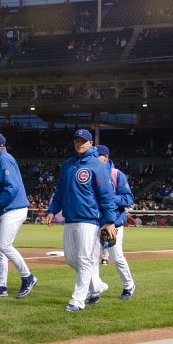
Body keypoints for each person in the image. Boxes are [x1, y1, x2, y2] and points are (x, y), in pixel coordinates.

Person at [45, 129, 117, 313]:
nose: (79, 143)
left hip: (89, 220)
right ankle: (96, 287)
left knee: (84, 260)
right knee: (70, 258)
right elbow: (59, 191)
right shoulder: (68, 165)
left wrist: (109, 220)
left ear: (91, 143)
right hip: (70, 219)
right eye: (77, 140)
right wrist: (52, 210)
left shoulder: (97, 165)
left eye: (83, 141)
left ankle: (77, 300)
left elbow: (107, 196)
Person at [0, 132, 37, 298]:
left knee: (4, 245)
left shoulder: (4, 160)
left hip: (14, 208)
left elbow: (11, 189)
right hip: (5, 210)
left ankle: (28, 277)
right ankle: (0, 287)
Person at [94, 145, 136, 301]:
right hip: (95, 222)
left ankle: (128, 285)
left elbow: (128, 199)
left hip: (114, 222)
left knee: (117, 257)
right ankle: (93, 289)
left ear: (105, 157)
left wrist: (110, 199)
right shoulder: (91, 173)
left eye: (96, 155)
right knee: (89, 258)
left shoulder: (116, 175)